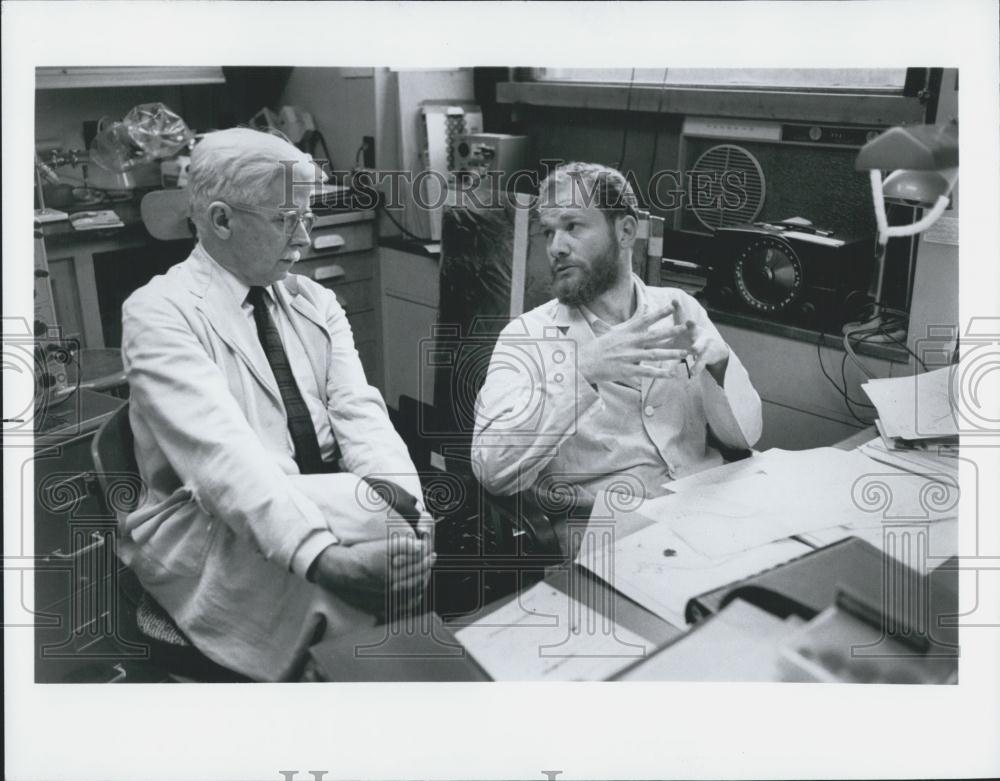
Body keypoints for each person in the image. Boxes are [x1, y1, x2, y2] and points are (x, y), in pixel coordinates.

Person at [119, 128, 433, 681]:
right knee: (363, 554)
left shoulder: (313, 300)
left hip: (308, 493)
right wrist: (322, 557)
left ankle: (362, 686)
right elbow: (223, 459)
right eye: (287, 219)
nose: (305, 238)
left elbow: (361, 414)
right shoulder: (159, 313)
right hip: (208, 519)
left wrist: (412, 509)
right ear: (220, 220)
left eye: (309, 217)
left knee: (392, 525)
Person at [471, 161, 762, 519]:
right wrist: (581, 373)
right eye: (548, 233)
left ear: (625, 231)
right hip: (610, 529)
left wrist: (720, 368)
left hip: (706, 505)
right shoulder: (527, 338)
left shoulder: (679, 308)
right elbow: (491, 472)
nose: (556, 248)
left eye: (572, 226)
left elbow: (747, 438)